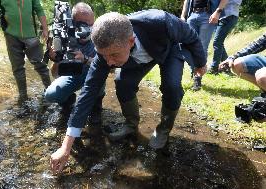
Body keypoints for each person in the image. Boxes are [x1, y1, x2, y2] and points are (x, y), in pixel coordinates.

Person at [50, 10, 207, 174]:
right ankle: (131, 125)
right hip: (134, 59)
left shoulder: (161, 22)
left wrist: (200, 63)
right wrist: (65, 147)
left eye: (113, 55)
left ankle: (163, 131)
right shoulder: (106, 53)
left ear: (131, 41)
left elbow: (191, 36)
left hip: (168, 50)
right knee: (122, 82)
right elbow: (86, 95)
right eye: (104, 56)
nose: (109, 62)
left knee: (172, 87)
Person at [44, 2, 105, 125]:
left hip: (93, 75)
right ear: (73, 23)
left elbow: (111, 68)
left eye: (91, 24)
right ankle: (68, 101)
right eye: (84, 24)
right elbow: (55, 74)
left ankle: (96, 108)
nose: (89, 28)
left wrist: (85, 59)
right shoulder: (64, 38)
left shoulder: (100, 35)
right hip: (73, 76)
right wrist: (57, 60)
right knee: (50, 94)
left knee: (99, 76)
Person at [0, 0, 51, 106]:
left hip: (31, 34)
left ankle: (50, 91)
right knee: (17, 67)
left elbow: (39, 9)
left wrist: (45, 28)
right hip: (11, 35)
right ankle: (23, 97)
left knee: (41, 65)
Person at [181, 0, 228, 90]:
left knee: (202, 48)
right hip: (192, 15)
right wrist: (183, 16)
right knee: (189, 46)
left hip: (208, 15)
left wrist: (217, 12)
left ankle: (197, 78)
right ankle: (194, 74)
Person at [209, 0, 242, 74]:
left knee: (217, 42)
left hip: (228, 16)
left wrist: (217, 11)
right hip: (227, 16)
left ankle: (214, 68)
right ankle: (227, 67)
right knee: (219, 43)